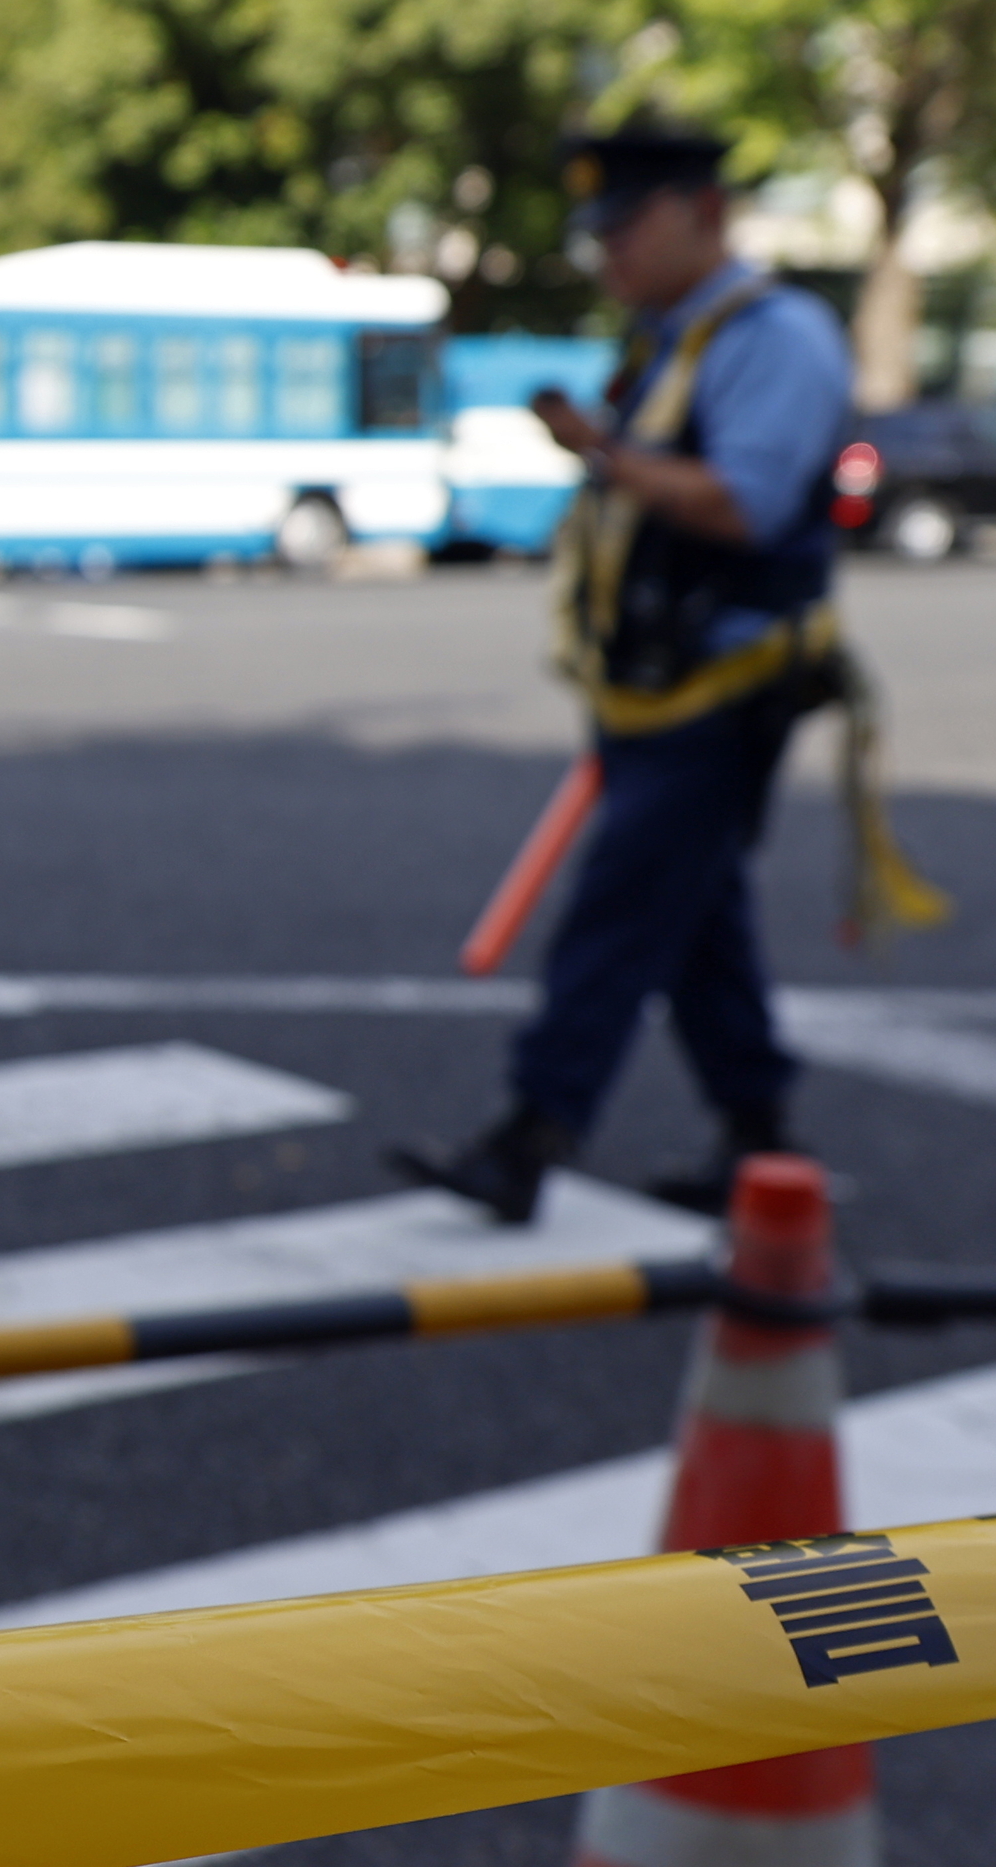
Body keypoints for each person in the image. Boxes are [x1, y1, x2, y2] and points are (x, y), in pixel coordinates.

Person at [393, 121, 933, 1224]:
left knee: (623, 905)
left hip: (722, 688)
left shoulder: (770, 337)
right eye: (600, 233)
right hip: (656, 684)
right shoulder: (671, 338)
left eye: (627, 227)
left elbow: (745, 502)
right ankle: (757, 1136)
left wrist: (598, 451)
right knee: (694, 919)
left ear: (708, 214)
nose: (609, 255)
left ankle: (531, 1136)